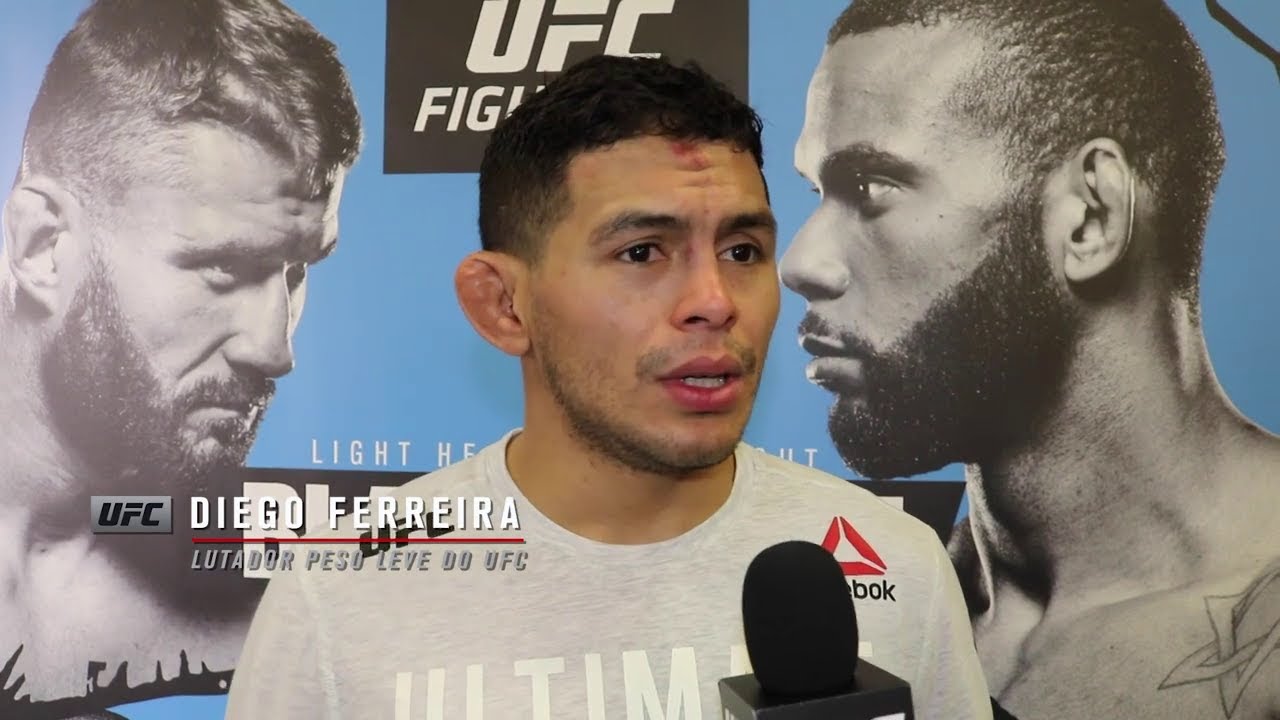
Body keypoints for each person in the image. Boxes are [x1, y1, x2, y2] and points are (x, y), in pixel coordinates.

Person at [225, 54, 993, 719]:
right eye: (642, 252)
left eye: (742, 250)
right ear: (503, 305)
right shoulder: (338, 591)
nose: (715, 301)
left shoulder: (899, 566)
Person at [781, 1, 1280, 718]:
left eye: (869, 186)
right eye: (817, 192)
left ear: (1090, 216)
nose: (800, 263)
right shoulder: (894, 606)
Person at [0, 0, 361, 715]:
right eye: (224, 267)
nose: (274, 350)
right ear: (44, 246)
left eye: (296, 271)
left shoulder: (300, 591)